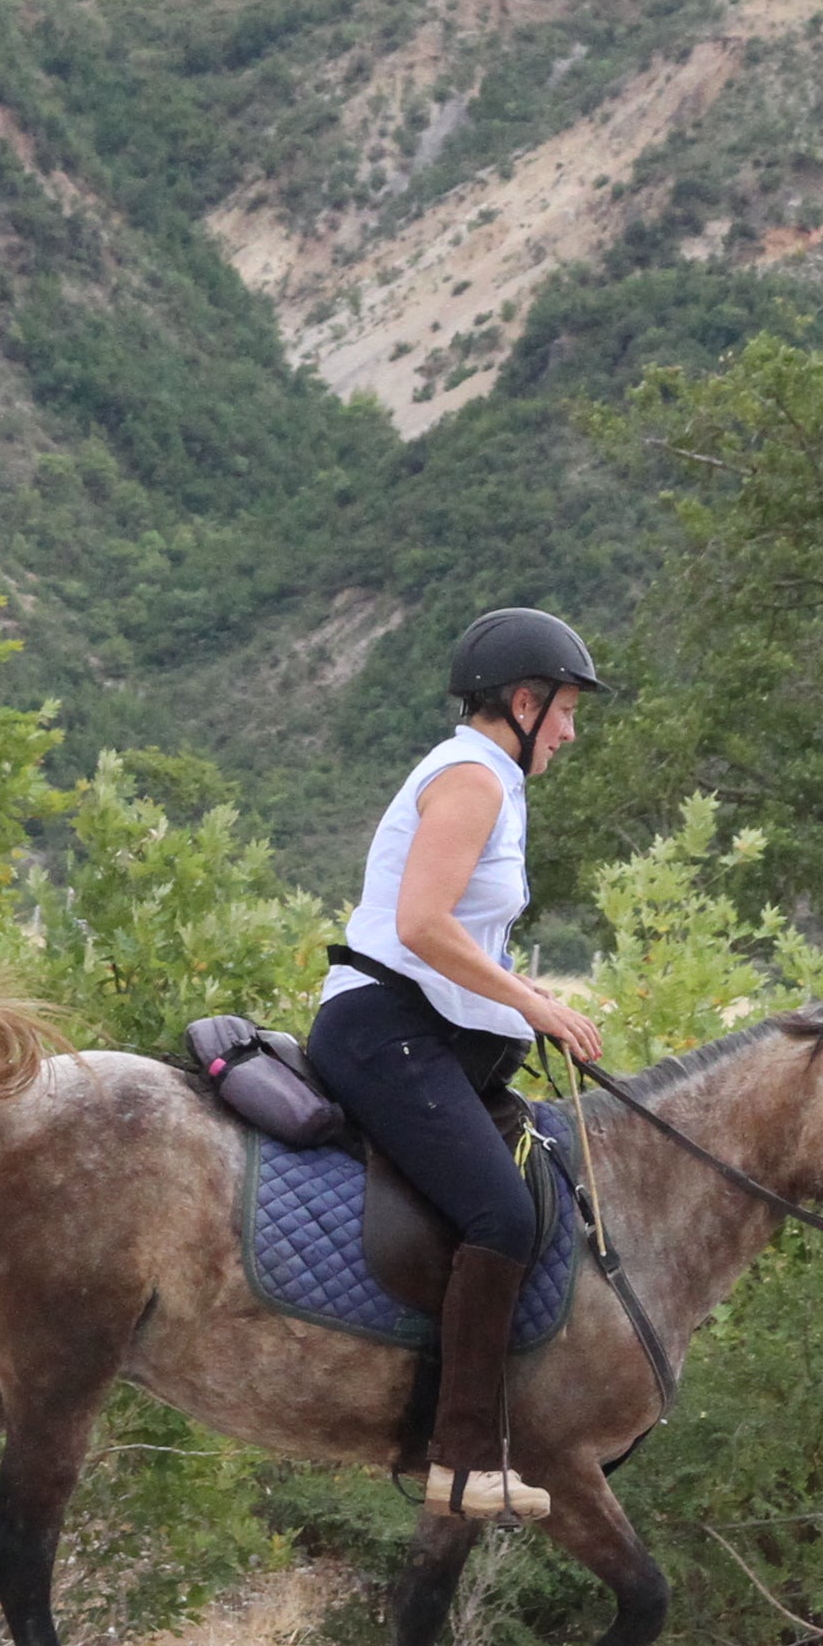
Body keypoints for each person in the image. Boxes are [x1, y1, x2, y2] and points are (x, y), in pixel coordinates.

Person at [309, 608, 608, 1522]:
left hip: (426, 1032)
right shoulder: (474, 777)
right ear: (523, 702)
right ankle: (462, 1459)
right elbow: (420, 926)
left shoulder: (495, 786)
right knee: (500, 1215)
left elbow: (466, 940)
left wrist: (531, 1006)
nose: (567, 730)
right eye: (562, 711)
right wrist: (533, 1003)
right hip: (382, 1030)